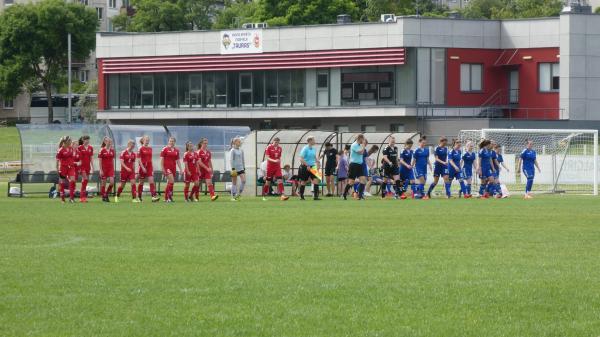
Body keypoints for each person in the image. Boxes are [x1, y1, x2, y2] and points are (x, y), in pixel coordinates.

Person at [343, 134, 367, 200]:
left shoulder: (360, 145)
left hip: (359, 165)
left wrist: (363, 146)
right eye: (363, 139)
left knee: (363, 180)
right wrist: (363, 145)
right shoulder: (354, 145)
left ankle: (360, 196)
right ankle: (344, 194)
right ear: (359, 139)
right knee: (351, 182)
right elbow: (360, 152)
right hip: (353, 165)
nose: (364, 140)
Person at [137, 136, 160, 202]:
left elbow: (150, 158)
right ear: (143, 140)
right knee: (141, 182)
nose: (147, 141)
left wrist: (152, 167)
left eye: (148, 140)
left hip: (149, 167)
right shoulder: (140, 148)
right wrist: (143, 167)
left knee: (151, 181)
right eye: (146, 140)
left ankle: (153, 197)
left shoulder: (150, 148)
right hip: (142, 167)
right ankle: (139, 197)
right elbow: (139, 159)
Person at [298, 136, 321, 200]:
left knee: (316, 180)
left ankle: (316, 196)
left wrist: (317, 162)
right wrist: (307, 165)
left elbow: (314, 157)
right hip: (305, 167)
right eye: (313, 140)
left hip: (313, 166)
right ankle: (301, 196)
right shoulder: (305, 148)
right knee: (304, 181)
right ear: (310, 141)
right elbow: (301, 158)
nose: (314, 141)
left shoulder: (313, 149)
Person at [160, 136, 183, 202]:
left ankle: (166, 197)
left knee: (170, 183)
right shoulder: (165, 149)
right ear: (168, 141)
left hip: (173, 168)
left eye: (173, 141)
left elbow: (178, 161)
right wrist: (162, 169)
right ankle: (169, 197)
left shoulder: (176, 150)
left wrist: (181, 169)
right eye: (170, 141)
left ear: (174, 142)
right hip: (167, 168)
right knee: (172, 181)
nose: (171, 142)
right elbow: (161, 160)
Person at [56, 136, 77, 203]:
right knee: (62, 182)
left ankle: (71, 198)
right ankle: (62, 198)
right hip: (63, 167)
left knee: (73, 180)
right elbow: (57, 160)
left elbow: (72, 157)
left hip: (71, 167)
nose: (71, 142)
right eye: (70, 141)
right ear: (66, 142)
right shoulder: (60, 150)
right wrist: (57, 168)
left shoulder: (71, 148)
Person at [98, 136, 115, 203]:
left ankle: (106, 194)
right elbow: (100, 161)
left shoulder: (112, 150)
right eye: (108, 141)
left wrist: (113, 169)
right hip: (104, 169)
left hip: (110, 169)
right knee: (103, 184)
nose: (109, 143)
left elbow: (112, 160)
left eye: (110, 141)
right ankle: (103, 197)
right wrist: (101, 170)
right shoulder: (102, 150)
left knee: (112, 182)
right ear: (105, 142)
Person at [77, 135, 94, 203]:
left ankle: (82, 197)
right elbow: (77, 158)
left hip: (88, 166)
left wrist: (92, 167)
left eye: (88, 139)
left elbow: (91, 158)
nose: (87, 141)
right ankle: (82, 197)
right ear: (83, 140)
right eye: (86, 139)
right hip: (81, 166)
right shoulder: (80, 147)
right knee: (85, 179)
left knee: (85, 181)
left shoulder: (90, 148)